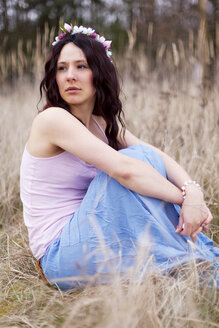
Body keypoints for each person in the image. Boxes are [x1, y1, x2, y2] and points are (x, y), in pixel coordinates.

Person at [20, 23, 219, 289]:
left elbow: (154, 154)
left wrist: (194, 194)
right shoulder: (52, 120)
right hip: (60, 257)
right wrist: (184, 201)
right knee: (128, 167)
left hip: (92, 237)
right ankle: (195, 258)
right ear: (54, 76)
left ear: (99, 73)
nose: (70, 76)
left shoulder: (101, 123)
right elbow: (124, 170)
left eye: (81, 66)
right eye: (62, 68)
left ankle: (194, 261)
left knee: (142, 156)